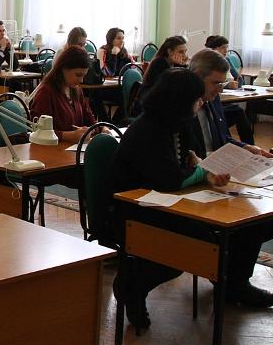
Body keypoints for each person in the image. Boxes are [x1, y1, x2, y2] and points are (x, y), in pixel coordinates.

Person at [111, 69, 273, 327]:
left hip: (174, 201)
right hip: (140, 208)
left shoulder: (177, 122)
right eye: (196, 100)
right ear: (180, 100)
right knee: (196, 245)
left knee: (253, 224)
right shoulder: (148, 129)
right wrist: (202, 172)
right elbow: (170, 179)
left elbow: (193, 158)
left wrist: (201, 169)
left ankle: (235, 285)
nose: (201, 103)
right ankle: (132, 286)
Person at [188, 49, 271, 158]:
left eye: (222, 84)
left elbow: (222, 138)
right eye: (216, 83)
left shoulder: (213, 99)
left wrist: (245, 147)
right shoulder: (180, 107)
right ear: (198, 76)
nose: (220, 90)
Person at [30, 46, 96, 142]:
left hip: (72, 148)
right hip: (51, 148)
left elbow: (89, 119)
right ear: (63, 68)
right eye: (78, 75)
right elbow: (37, 131)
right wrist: (69, 136)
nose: (81, 80)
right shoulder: (46, 92)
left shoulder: (77, 90)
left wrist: (102, 128)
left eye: (84, 75)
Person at [204, 35, 255, 144]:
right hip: (213, 101)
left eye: (227, 47)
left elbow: (239, 79)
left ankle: (250, 145)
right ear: (213, 49)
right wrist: (227, 85)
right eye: (223, 47)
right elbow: (211, 83)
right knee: (237, 111)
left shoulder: (226, 59)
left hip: (226, 98)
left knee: (238, 111)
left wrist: (235, 84)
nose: (226, 50)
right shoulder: (207, 62)